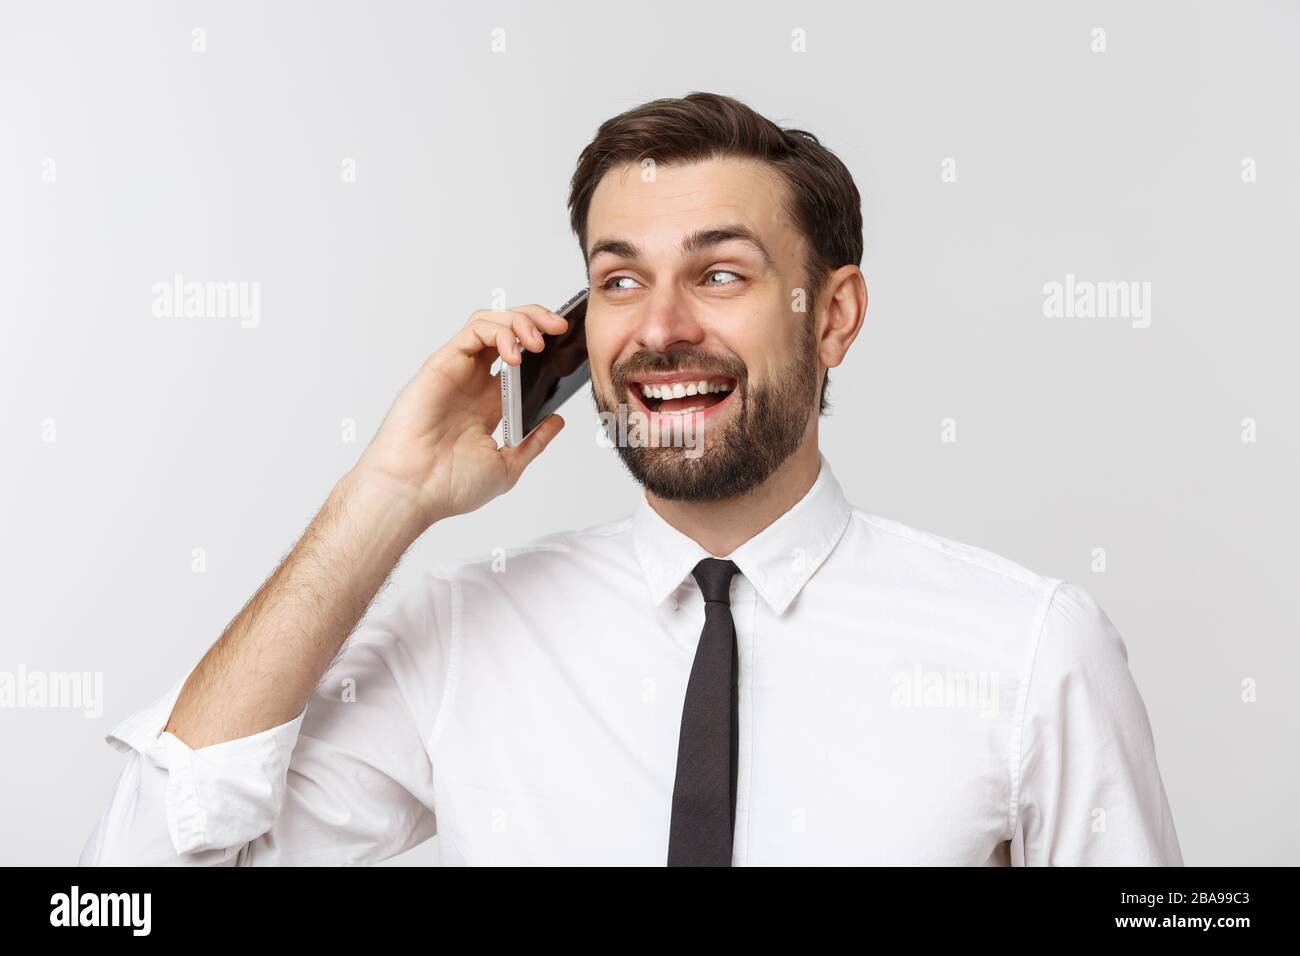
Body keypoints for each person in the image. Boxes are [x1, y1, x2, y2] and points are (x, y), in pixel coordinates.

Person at [80, 92, 1182, 866]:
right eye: (617, 279)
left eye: (718, 272)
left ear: (832, 315)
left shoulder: (1027, 647)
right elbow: (144, 865)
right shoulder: (468, 633)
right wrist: (391, 491)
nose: (659, 328)